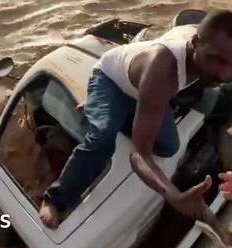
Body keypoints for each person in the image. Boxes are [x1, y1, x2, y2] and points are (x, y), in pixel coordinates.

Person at [39, 10, 232, 243]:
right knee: (102, 139)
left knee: (169, 147)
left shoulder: (207, 42)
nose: (224, 73)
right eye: (217, 60)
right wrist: (174, 196)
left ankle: (124, 109)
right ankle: (54, 199)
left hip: (147, 89)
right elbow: (140, 154)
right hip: (112, 79)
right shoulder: (163, 69)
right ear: (195, 42)